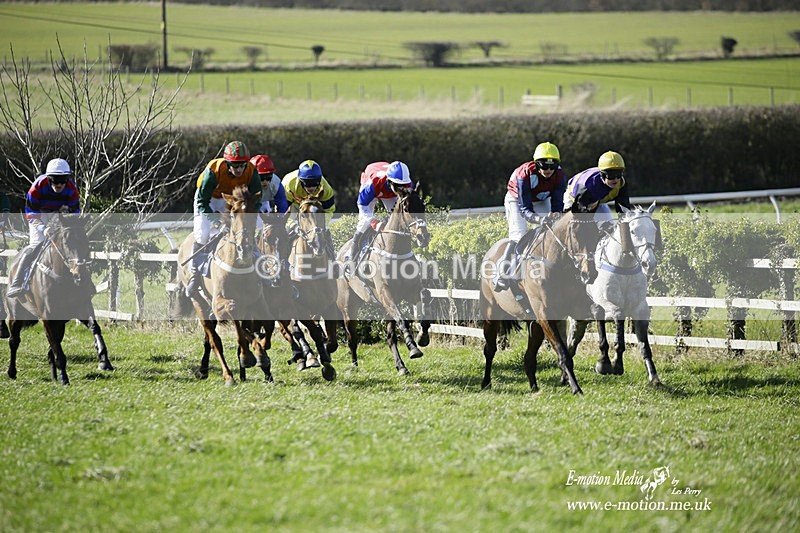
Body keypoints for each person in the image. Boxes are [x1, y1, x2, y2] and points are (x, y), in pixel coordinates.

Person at [185, 140, 262, 297]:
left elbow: (257, 200)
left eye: (243, 165)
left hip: (233, 200)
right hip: (208, 199)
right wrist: (215, 221)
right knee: (203, 234)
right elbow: (202, 202)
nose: (240, 169)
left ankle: (261, 265)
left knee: (252, 229)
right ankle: (194, 275)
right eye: (235, 165)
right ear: (227, 164)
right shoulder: (214, 170)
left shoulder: (252, 171)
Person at [495, 142, 567, 291]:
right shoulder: (525, 175)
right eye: (544, 166)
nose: (548, 170)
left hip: (541, 199)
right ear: (536, 164)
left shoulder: (560, 176)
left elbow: (557, 205)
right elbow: (525, 209)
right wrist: (539, 219)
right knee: (518, 234)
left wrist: (555, 215)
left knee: (551, 230)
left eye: (552, 166)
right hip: (517, 200)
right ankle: (503, 273)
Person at [7, 158, 80, 298]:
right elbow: (31, 214)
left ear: (67, 179)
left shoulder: (72, 190)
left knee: (71, 244)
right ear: (48, 178)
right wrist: (42, 228)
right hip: (38, 214)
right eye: (54, 180)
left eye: (62, 180)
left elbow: (75, 213)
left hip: (60, 214)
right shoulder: (37, 188)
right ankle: (18, 282)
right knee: (36, 245)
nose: (58, 184)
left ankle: (79, 281)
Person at [346, 160, 414, 266]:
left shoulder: (408, 184)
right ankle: (351, 257)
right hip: (372, 186)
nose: (401, 189)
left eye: (403, 185)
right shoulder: (373, 183)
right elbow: (362, 204)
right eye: (398, 185)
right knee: (363, 224)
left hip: (387, 191)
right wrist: (375, 223)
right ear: (389, 181)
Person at [563, 150, 632, 231]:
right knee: (579, 230)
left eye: (619, 174)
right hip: (576, 200)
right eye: (611, 175)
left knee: (609, 228)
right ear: (602, 174)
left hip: (598, 201)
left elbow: (624, 211)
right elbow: (581, 212)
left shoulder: (621, 184)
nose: (616, 179)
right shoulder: (588, 187)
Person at [282, 159, 336, 259]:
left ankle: (333, 260)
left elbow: (329, 210)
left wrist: (322, 224)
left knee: (325, 232)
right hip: (294, 205)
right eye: (307, 183)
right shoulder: (288, 184)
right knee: (286, 230)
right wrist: (293, 225)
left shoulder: (326, 188)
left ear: (319, 181)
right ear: (301, 181)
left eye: (314, 183)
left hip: (315, 207)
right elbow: (282, 212)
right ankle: (282, 261)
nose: (311, 187)